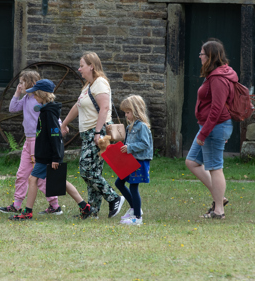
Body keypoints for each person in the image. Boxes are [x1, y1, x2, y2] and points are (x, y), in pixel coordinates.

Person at [9, 79, 92, 221]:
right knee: (60, 181)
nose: (34, 97)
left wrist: (56, 158)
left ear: (42, 95)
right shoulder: (46, 110)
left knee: (32, 179)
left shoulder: (49, 113)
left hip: (48, 155)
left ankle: (28, 212)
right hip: (46, 154)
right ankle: (85, 206)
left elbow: (55, 136)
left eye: (35, 94)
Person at [61, 52, 125, 219]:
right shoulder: (88, 86)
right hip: (88, 133)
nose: (79, 68)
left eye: (82, 65)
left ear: (91, 66)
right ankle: (93, 211)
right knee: (93, 171)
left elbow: (104, 108)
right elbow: (77, 106)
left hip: (97, 133)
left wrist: (97, 132)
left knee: (86, 170)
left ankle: (114, 198)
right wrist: (64, 123)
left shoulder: (100, 83)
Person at [0, 70, 62, 215]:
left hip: (37, 142)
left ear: (32, 84)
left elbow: (52, 117)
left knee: (39, 177)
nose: (19, 85)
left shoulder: (38, 100)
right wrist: (17, 93)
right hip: (28, 142)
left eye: (21, 82)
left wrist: (61, 126)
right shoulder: (26, 98)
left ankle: (54, 205)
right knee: (22, 174)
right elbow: (12, 108)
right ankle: (16, 204)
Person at [185, 39, 235, 220]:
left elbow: (217, 108)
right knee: (192, 162)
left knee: (215, 167)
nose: (199, 56)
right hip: (210, 126)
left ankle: (219, 210)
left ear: (210, 56)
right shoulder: (214, 74)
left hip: (213, 127)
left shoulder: (218, 78)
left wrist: (204, 133)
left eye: (202, 54)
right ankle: (220, 197)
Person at [115, 95, 154, 226]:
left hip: (139, 162)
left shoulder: (142, 126)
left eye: (128, 112)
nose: (126, 115)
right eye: (125, 112)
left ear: (136, 110)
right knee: (119, 183)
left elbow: (145, 144)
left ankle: (137, 218)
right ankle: (134, 208)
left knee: (133, 186)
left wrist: (130, 148)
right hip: (130, 161)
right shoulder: (130, 127)